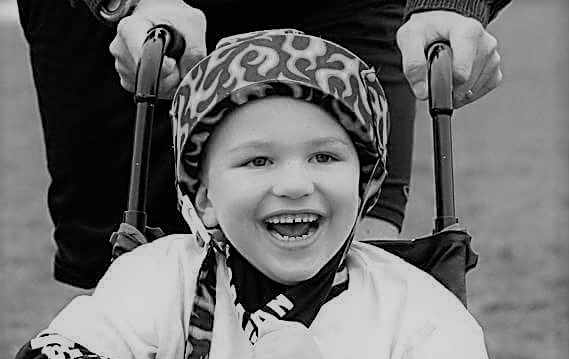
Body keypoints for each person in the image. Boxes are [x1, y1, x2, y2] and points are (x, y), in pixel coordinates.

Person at [10, 30, 495, 359]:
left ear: (368, 186)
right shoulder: (159, 276)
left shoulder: (416, 308)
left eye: (325, 157)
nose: (293, 184)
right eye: (257, 161)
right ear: (204, 196)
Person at [17, 0, 508, 289]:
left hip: (346, 8)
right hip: (138, 19)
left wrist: (452, 5)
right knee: (136, 275)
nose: (293, 184)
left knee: (352, 258)